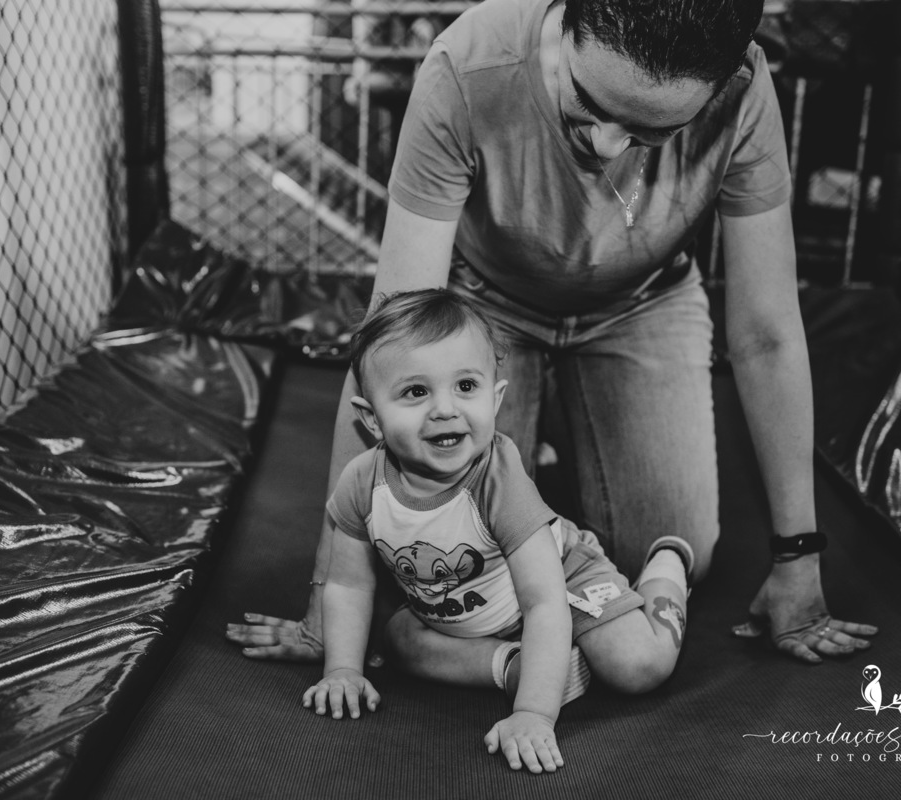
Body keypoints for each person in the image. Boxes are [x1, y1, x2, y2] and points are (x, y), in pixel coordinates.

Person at [227, 0, 877, 677]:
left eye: (648, 132)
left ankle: (555, 435)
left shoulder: (746, 92)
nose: (605, 146)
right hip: (490, 308)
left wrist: (798, 556)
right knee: (435, 552)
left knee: (675, 548)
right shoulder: (468, 66)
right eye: (587, 103)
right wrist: (323, 610)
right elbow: (392, 344)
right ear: (567, 20)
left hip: (640, 305)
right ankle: (533, 430)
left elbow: (767, 333)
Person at [297, 288, 694, 773]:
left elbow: (543, 602)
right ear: (371, 419)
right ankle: (517, 665)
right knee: (397, 641)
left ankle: (667, 564)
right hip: (465, 614)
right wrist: (342, 670)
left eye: (465, 386)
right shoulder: (362, 482)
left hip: (561, 582)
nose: (444, 409)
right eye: (416, 392)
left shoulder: (497, 478)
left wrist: (532, 714)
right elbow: (348, 583)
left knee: (638, 666)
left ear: (495, 398)